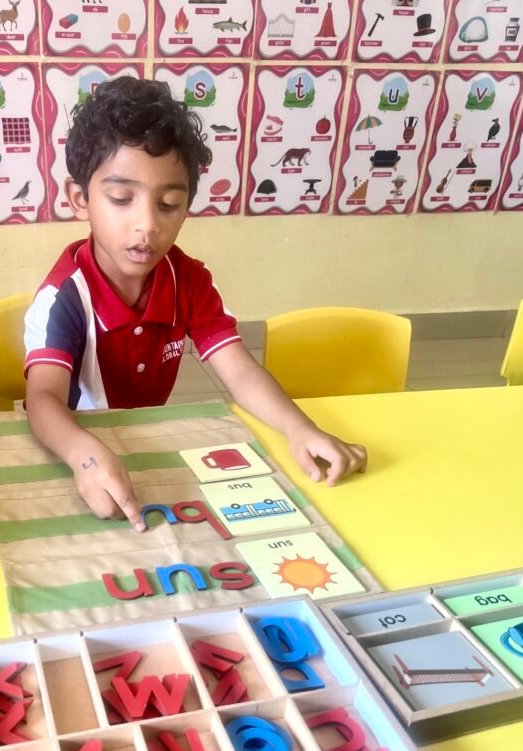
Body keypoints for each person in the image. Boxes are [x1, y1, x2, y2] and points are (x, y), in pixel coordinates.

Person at [24, 78, 367, 532]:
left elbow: (239, 372)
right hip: (78, 453)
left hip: (148, 452)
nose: (146, 225)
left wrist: (299, 428)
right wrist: (84, 458)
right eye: (122, 199)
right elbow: (42, 400)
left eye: (169, 203)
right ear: (79, 199)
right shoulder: (64, 297)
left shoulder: (188, 279)